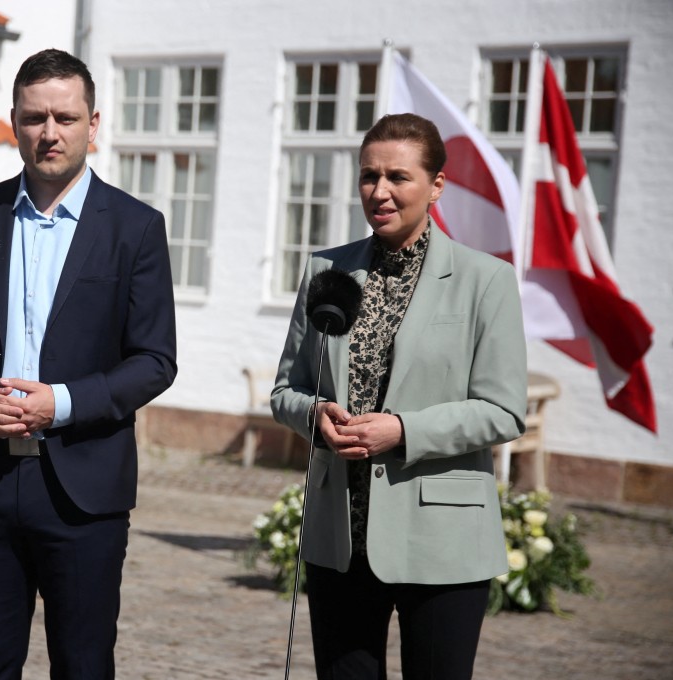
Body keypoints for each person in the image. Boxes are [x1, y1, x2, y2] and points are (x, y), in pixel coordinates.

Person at [0, 48, 177, 679]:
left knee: (83, 666)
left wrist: (58, 402)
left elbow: (155, 360)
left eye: (65, 116)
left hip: (82, 491)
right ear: (14, 120)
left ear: (94, 123)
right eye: (34, 118)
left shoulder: (135, 228)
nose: (49, 133)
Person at [271, 112, 527, 680]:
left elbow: (505, 410)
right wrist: (315, 415)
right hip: (340, 535)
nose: (379, 191)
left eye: (398, 177)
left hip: (441, 541)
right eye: (368, 176)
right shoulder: (326, 269)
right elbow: (286, 388)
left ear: (436, 185)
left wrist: (403, 430)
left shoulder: (486, 280)